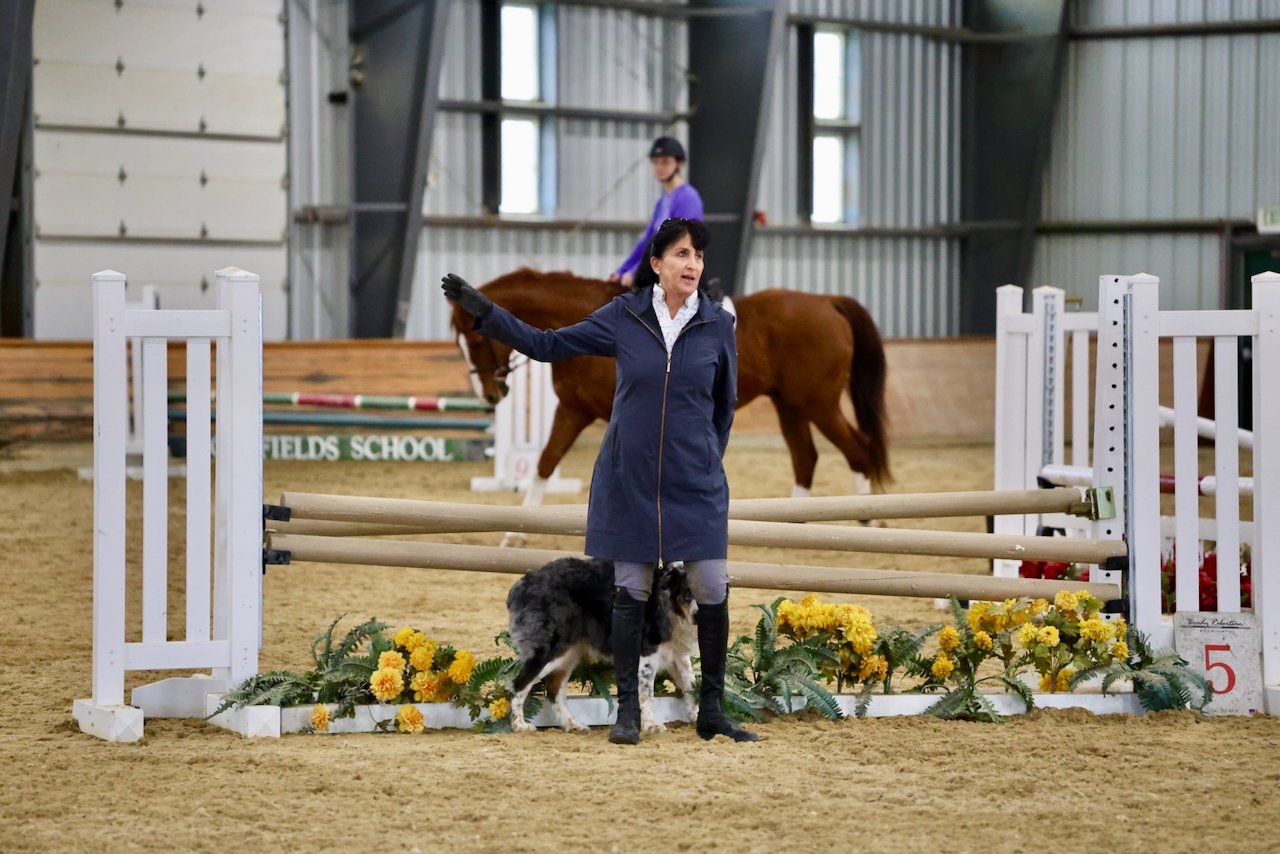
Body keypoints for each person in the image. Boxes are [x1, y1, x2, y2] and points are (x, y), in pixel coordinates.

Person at [441, 217, 755, 745]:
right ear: (656, 264)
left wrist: (704, 458)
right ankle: (628, 713)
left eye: (698, 256)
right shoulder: (624, 317)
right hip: (627, 480)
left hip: (694, 483)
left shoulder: (717, 326)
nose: (693, 264)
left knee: (711, 587)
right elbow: (546, 344)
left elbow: (725, 407)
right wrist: (488, 315)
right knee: (629, 590)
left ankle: (713, 712)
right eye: (682, 254)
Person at [609, 137, 704, 288]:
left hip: (678, 276)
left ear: (678, 163)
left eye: (665, 162)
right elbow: (647, 241)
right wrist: (621, 270)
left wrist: (635, 272)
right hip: (659, 272)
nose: (659, 167)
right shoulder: (663, 202)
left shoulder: (688, 198)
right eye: (656, 162)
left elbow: (676, 245)